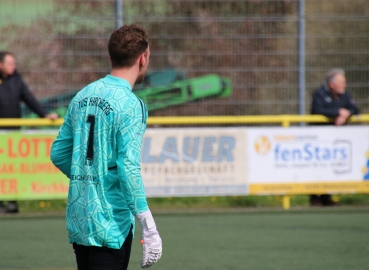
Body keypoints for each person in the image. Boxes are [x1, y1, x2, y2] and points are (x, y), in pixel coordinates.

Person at [50, 24, 162, 270]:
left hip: (80, 217)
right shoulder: (132, 105)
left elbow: (58, 153)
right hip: (110, 223)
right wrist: (149, 226)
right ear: (143, 58)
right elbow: (128, 168)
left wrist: (88, 177)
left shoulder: (82, 95)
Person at [0, 52, 58, 214]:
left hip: (12, 134)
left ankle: (12, 202)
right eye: (10, 63)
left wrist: (45, 114)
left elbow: (29, 98)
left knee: (11, 168)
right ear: (0, 65)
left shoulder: (16, 80)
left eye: (14, 63)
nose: (14, 66)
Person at [310, 68, 359, 206]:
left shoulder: (345, 94)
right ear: (332, 84)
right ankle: (315, 197)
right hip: (319, 137)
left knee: (331, 166)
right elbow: (317, 110)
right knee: (317, 166)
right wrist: (338, 113)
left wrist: (347, 113)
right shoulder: (319, 94)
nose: (344, 85)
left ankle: (326, 197)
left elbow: (355, 109)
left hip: (336, 139)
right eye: (341, 82)